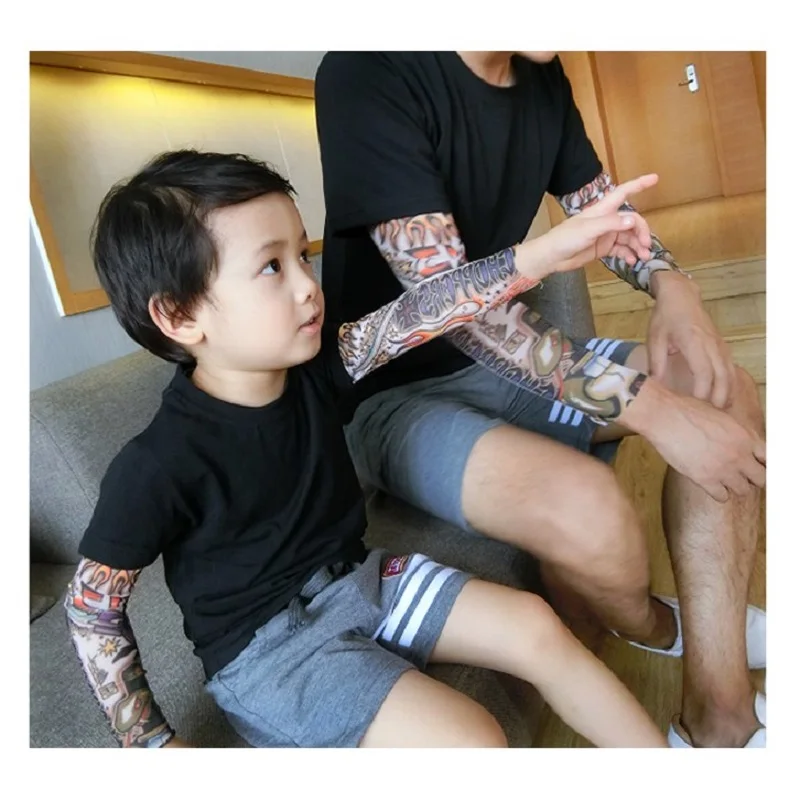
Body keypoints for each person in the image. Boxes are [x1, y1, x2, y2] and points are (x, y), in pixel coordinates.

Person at [64, 149, 669, 748]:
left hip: (360, 580)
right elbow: (92, 611)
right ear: (178, 315)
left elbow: (420, 312)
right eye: (271, 267)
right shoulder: (155, 466)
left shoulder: (318, 365)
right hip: (272, 657)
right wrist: (150, 744)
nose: (308, 286)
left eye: (302, 255)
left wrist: (542, 254)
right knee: (471, 741)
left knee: (535, 626)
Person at [314, 51, 767, 748]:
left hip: (515, 358)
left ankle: (721, 715)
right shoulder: (369, 69)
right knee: (594, 511)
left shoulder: (543, 78)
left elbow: (601, 210)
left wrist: (675, 288)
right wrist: (651, 408)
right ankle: (656, 626)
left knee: (722, 389)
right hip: (396, 395)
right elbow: (449, 308)